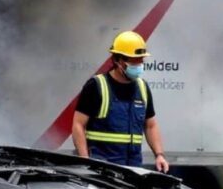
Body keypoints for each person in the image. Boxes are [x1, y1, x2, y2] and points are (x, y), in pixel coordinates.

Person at [72, 31, 169, 172]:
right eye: (134, 60)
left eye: (141, 60)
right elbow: (78, 125)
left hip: (133, 168)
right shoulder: (96, 86)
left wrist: (159, 155)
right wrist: (86, 162)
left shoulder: (142, 87)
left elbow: (150, 125)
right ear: (118, 60)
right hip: (102, 169)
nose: (139, 64)